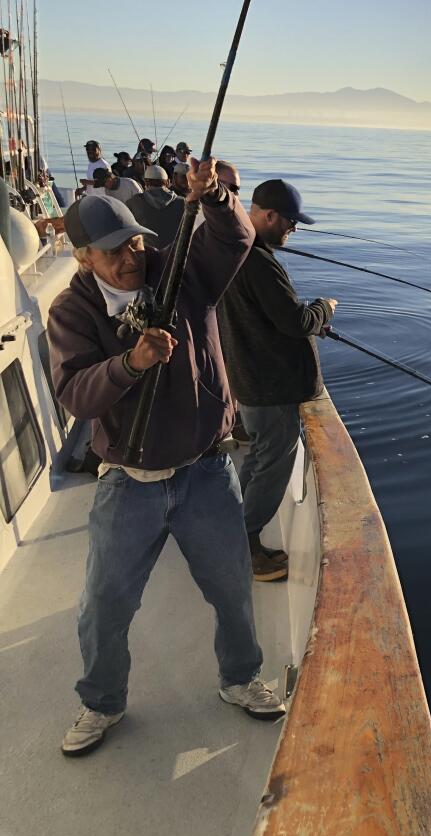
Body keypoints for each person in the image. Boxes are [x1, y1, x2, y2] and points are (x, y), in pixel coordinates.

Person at [47, 160, 286, 757]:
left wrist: (216, 196)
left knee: (232, 589)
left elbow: (234, 237)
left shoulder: (179, 272)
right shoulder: (71, 312)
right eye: (112, 251)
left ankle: (239, 679)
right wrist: (130, 364)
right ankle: (101, 702)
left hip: (204, 469)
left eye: (134, 242)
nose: (130, 257)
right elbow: (75, 390)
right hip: (128, 481)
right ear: (82, 257)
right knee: (104, 604)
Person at [218, 179, 336, 581]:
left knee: (261, 456)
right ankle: (245, 547)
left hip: (249, 381)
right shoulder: (259, 261)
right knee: (273, 462)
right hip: (267, 387)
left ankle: (230, 527)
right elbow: (295, 321)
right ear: (268, 215)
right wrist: (323, 308)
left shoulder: (236, 250)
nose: (293, 229)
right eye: (290, 221)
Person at [125, 165, 184, 249]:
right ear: (167, 182)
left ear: (145, 182)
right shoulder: (182, 202)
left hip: (146, 254)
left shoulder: (133, 202)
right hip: (174, 254)